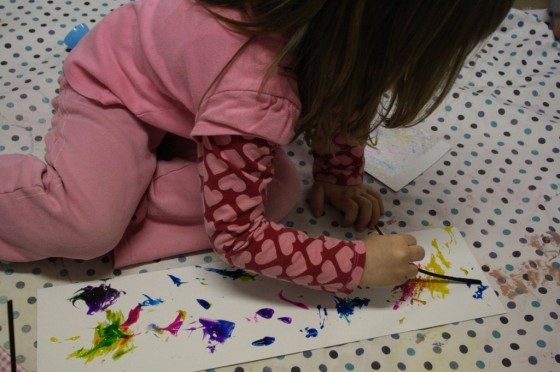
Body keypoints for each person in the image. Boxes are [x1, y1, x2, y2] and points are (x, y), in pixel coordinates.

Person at [0, 0, 513, 294]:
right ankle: (98, 196)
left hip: (191, 103)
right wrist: (354, 265)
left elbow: (346, 97)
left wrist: (338, 178)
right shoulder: (252, 84)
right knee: (86, 225)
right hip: (118, 86)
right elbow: (238, 238)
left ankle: (122, 185)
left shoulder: (337, 41)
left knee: (280, 192)